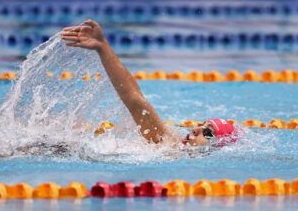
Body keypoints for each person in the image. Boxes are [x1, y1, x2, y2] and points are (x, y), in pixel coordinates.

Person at [60, 20, 237, 148]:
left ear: (215, 148)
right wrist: (102, 46)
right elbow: (135, 100)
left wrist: (103, 47)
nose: (196, 128)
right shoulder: (169, 143)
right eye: (202, 124)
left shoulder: (173, 151)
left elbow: (135, 100)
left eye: (207, 133)